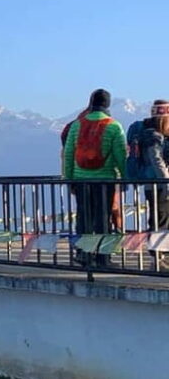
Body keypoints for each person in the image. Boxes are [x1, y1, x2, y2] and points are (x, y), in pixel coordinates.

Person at [63, 89, 127, 264]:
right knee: (102, 219)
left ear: (91, 103)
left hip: (80, 179)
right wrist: (126, 177)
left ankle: (83, 253)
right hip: (105, 180)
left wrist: (68, 179)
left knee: (84, 218)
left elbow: (68, 154)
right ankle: (103, 257)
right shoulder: (114, 126)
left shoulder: (77, 125)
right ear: (108, 104)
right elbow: (121, 155)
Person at [136, 101, 169, 230]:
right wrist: (167, 182)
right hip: (160, 184)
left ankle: (157, 248)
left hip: (153, 183)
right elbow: (156, 160)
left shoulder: (148, 134)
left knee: (157, 218)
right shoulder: (154, 137)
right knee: (161, 219)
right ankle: (157, 248)